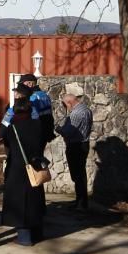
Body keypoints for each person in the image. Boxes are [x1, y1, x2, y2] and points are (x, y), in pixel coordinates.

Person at [0, 97, 48, 246]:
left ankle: (24, 237)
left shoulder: (12, 127)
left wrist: (8, 117)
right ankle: (37, 233)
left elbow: (1, 135)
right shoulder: (39, 125)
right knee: (35, 200)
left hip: (17, 168)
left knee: (19, 202)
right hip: (35, 167)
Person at [56, 83, 93, 211]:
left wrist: (58, 128)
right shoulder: (86, 110)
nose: (66, 107)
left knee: (77, 175)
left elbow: (67, 131)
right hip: (83, 143)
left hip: (76, 145)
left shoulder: (76, 114)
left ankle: (81, 204)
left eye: (65, 104)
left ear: (70, 102)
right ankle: (80, 202)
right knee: (80, 174)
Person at [2, 73, 55, 144]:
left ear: (30, 83)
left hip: (35, 132)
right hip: (46, 129)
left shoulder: (33, 97)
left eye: (22, 84)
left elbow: (27, 112)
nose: (21, 87)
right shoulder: (44, 95)